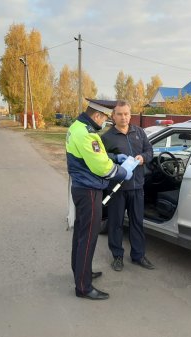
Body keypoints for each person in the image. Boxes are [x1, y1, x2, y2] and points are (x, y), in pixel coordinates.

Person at [66, 101, 132, 300]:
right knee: (88, 238)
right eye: (105, 118)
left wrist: (113, 156)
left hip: (80, 188)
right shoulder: (87, 134)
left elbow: (92, 155)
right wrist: (123, 172)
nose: (106, 122)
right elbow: (101, 167)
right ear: (97, 116)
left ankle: (80, 271)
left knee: (80, 233)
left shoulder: (76, 126)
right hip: (89, 190)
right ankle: (83, 287)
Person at [101, 100, 154, 272]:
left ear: (130, 115)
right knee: (115, 224)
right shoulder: (106, 137)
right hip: (117, 187)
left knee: (137, 222)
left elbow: (149, 151)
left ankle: (138, 255)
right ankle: (117, 256)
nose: (123, 117)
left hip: (137, 186)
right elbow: (101, 158)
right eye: (120, 114)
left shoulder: (139, 132)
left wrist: (143, 158)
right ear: (113, 116)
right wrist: (115, 158)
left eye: (126, 114)